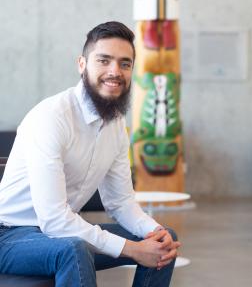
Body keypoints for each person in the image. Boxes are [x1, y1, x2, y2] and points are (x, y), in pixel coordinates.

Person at [0, 21, 180, 286]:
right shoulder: (51, 117)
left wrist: (153, 231)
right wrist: (130, 248)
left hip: (57, 235)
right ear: (82, 64)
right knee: (74, 249)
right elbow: (54, 220)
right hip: (9, 237)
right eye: (104, 60)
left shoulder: (116, 124)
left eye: (125, 64)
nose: (114, 71)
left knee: (161, 241)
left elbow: (121, 203)